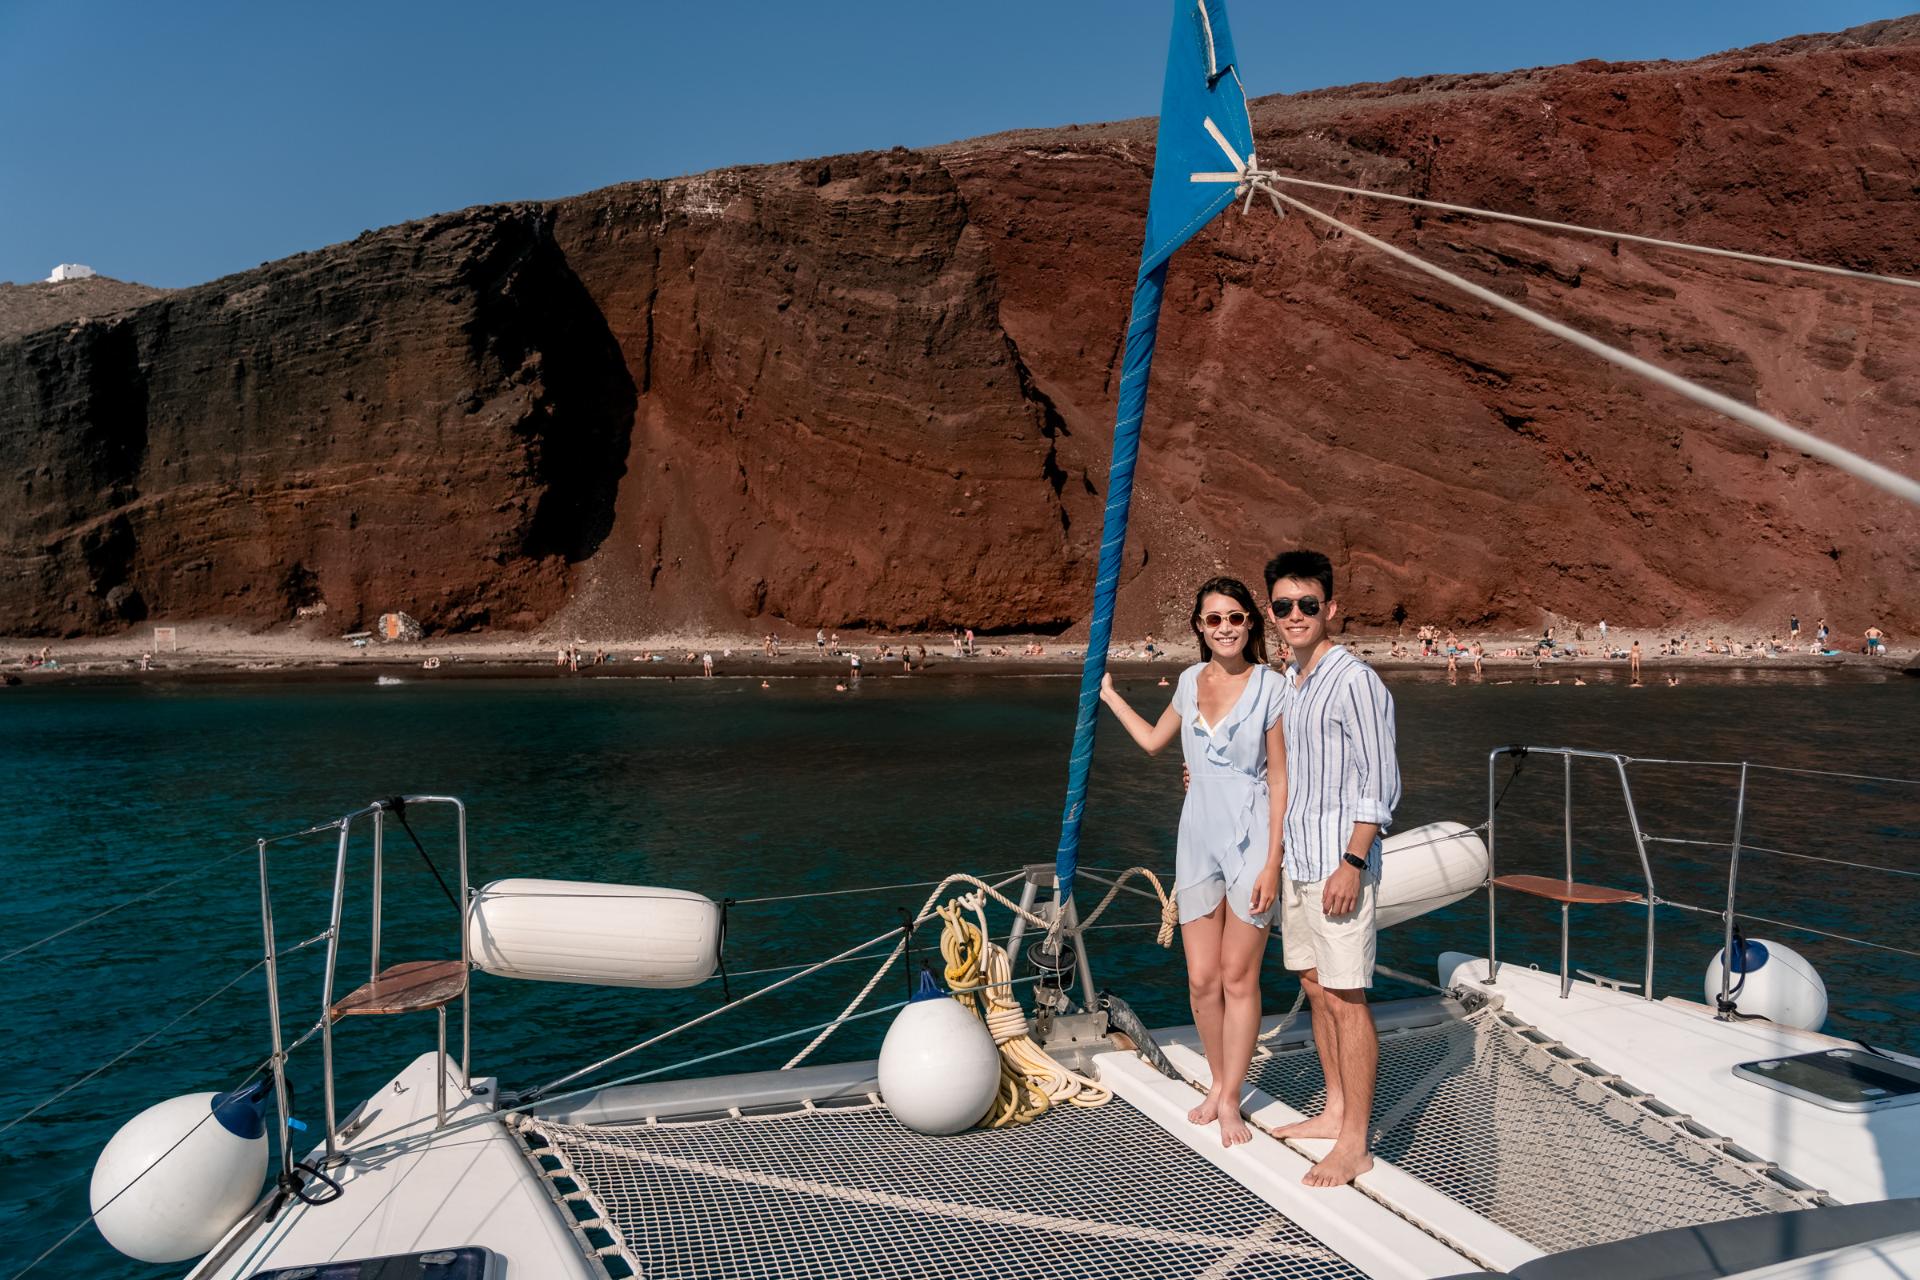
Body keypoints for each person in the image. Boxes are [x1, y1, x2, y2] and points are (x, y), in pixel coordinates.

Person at [1100, 576, 1286, 1149]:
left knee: (1238, 976)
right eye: (1213, 619)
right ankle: (1217, 1081)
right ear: (1200, 628)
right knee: (1202, 980)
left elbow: (1281, 778)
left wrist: (1273, 862)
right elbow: (1155, 742)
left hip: (1253, 838)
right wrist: (1109, 696)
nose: (1225, 628)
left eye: (1235, 617)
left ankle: (1231, 1098)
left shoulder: (1272, 686)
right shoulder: (1187, 680)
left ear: (1250, 623)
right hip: (1196, 837)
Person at [1262, 548, 1399, 1188]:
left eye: (1308, 604)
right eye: (1284, 605)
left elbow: (1380, 781)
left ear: (1331, 609)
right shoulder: (1292, 681)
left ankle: (1355, 1143)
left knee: (1347, 997)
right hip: (1299, 858)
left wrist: (1353, 861)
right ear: (1272, 612)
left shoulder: (1354, 680)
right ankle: (1335, 1110)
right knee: (1316, 987)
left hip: (1338, 861)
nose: (1296, 614)